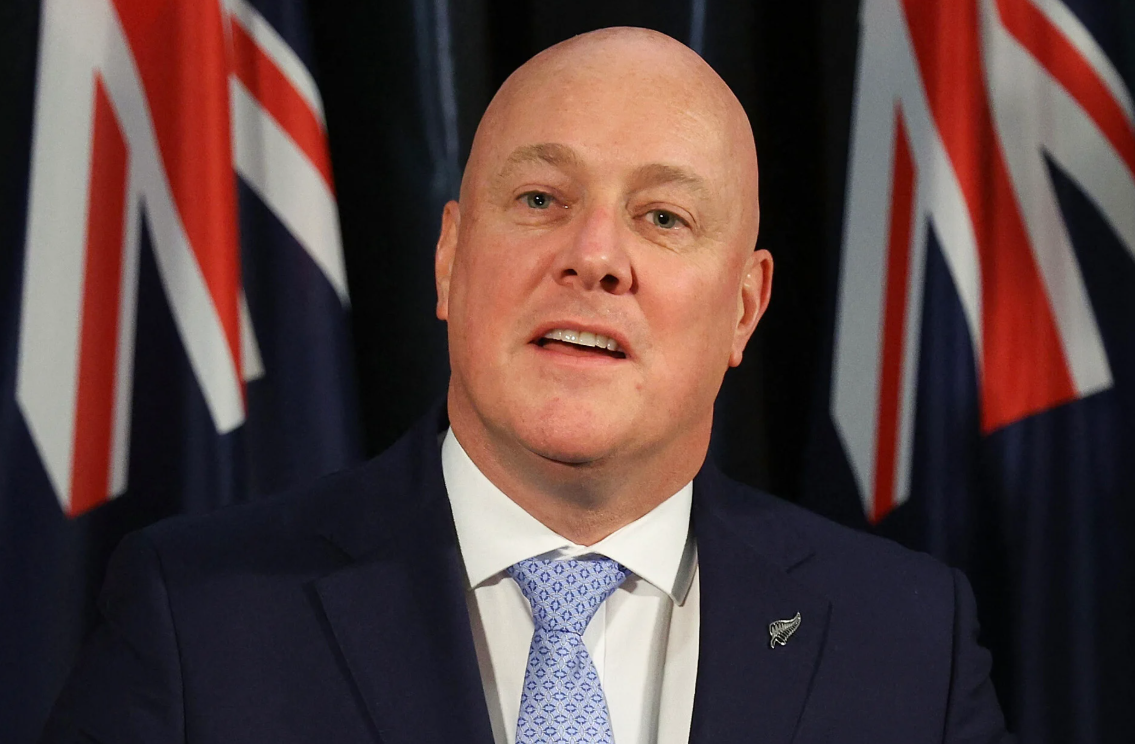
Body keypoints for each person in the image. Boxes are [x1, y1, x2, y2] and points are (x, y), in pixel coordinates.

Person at [41, 27, 1011, 744]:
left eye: (663, 218)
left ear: (744, 309)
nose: (594, 256)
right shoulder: (201, 617)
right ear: (449, 258)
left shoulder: (905, 643)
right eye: (540, 198)